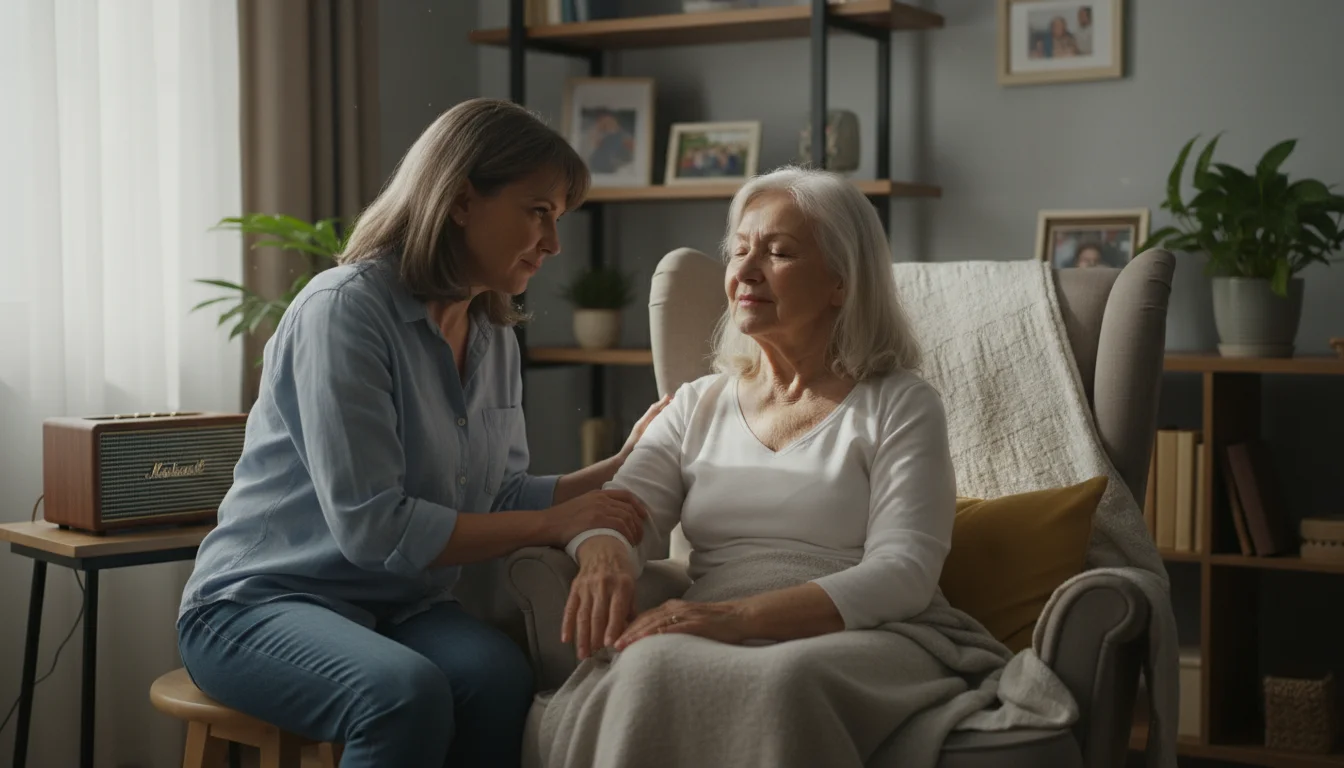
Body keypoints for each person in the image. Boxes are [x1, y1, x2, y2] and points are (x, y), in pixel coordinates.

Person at [175, 98, 669, 768]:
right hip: (259, 604)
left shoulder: (492, 334)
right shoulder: (343, 312)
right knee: (401, 694)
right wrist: (560, 522)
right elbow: (375, 527)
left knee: (501, 677)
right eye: (538, 212)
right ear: (462, 200)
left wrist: (622, 465)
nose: (553, 244)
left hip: (398, 608)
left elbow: (499, 496)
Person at [559, 165, 956, 664]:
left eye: (779, 252)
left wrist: (738, 619)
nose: (746, 271)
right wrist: (605, 554)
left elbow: (905, 572)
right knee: (648, 666)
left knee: (779, 673)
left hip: (851, 632)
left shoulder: (901, 404)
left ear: (842, 281)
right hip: (711, 631)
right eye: (740, 250)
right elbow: (616, 512)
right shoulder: (694, 405)